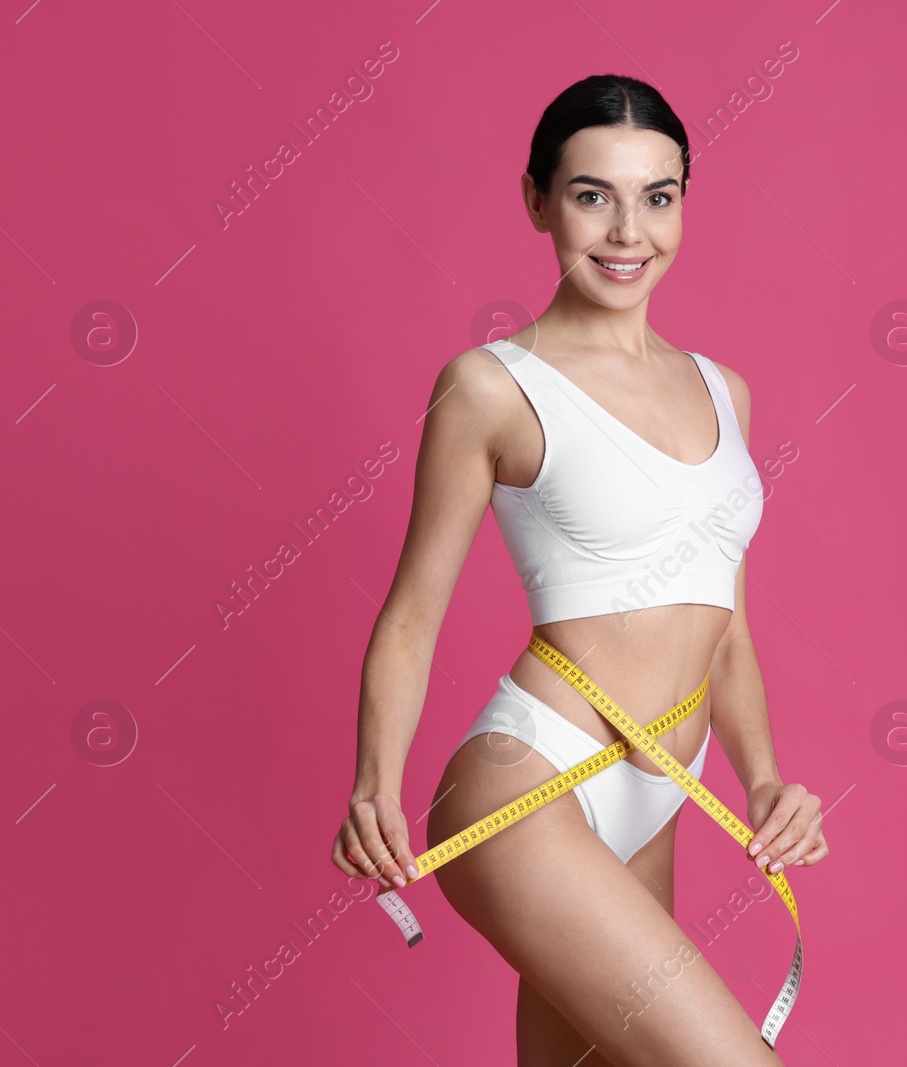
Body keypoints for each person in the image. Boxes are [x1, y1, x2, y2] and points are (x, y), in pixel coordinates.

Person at [329, 73, 827, 1065]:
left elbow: (721, 619)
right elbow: (412, 612)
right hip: (534, 776)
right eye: (592, 194)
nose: (627, 229)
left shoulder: (723, 391)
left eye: (658, 195)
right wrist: (372, 780)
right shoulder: (491, 386)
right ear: (537, 201)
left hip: (663, 792)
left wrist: (765, 778)